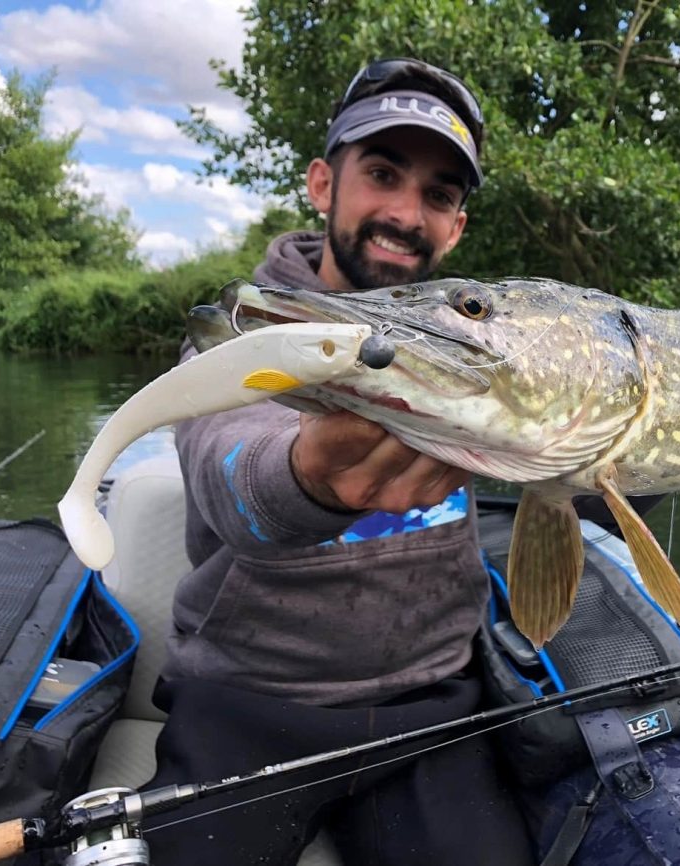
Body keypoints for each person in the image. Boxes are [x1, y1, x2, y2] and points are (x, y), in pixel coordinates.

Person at [143, 59, 536, 866]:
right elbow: (231, 480)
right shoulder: (247, 327)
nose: (403, 212)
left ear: (456, 227)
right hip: (247, 702)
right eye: (382, 174)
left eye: (437, 195)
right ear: (323, 184)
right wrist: (307, 478)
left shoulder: (489, 351)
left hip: (435, 704)